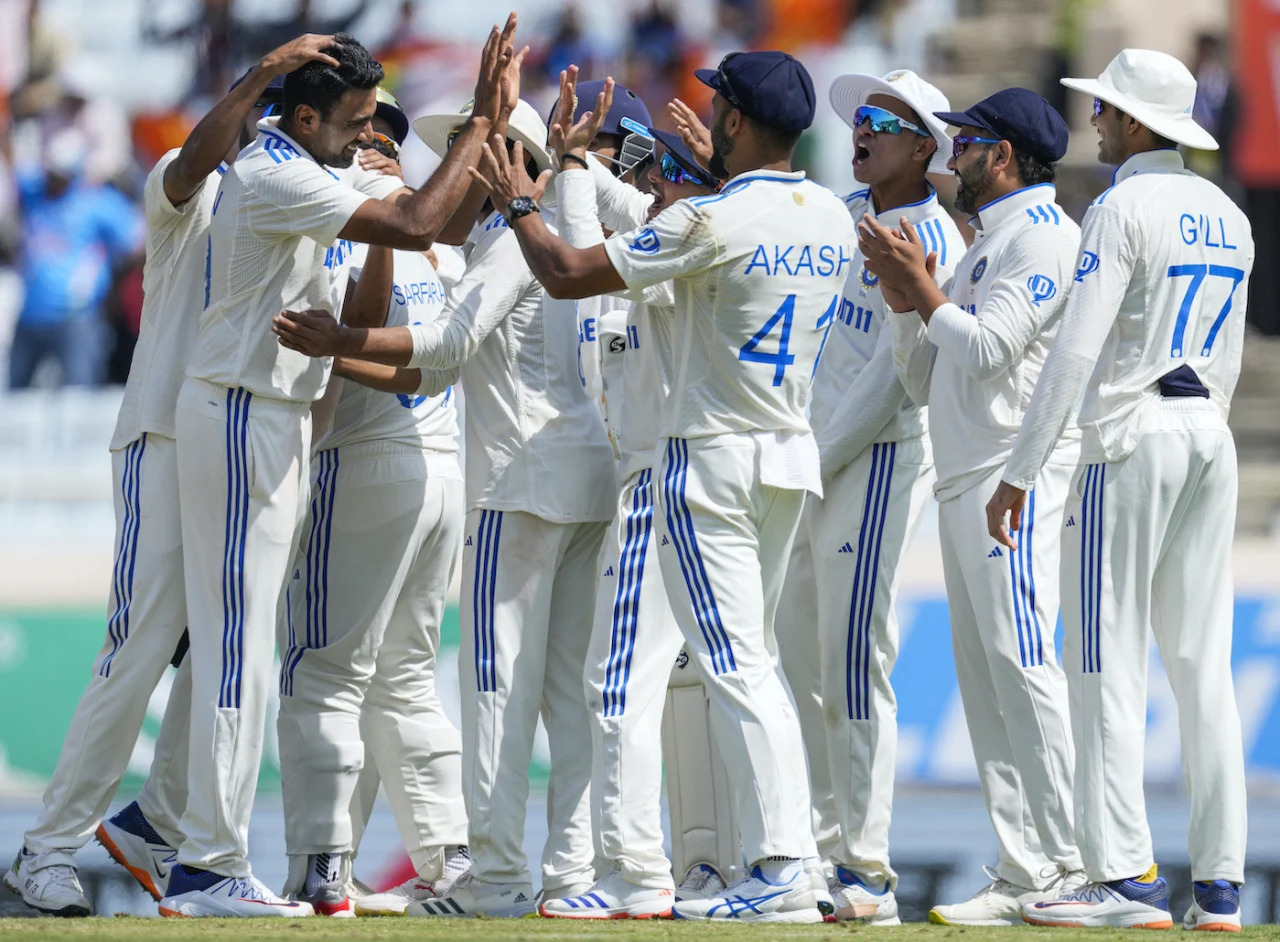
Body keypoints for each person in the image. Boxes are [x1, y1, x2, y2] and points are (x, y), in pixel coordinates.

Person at [469, 50, 858, 923]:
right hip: (785, 455)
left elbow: (568, 274)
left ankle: (756, 868)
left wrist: (522, 202)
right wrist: (580, 174)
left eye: (718, 104)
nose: (706, 113)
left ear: (735, 122)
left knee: (656, 677)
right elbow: (657, 226)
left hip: (706, 460)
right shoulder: (827, 211)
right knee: (749, 665)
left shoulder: (714, 222)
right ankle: (777, 864)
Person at [156, 21, 523, 918]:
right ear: (307, 115)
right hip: (245, 410)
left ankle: (212, 853)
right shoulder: (280, 170)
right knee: (245, 647)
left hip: (267, 415)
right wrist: (479, 119)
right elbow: (415, 218)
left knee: (253, 648)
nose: (367, 135)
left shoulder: (302, 166)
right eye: (356, 120)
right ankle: (208, 863)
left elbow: (416, 235)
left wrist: (482, 123)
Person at [0, 38, 333, 918]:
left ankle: (161, 825)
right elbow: (192, 160)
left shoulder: (312, 203)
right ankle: (45, 848)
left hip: (238, 430)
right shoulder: (202, 187)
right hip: (161, 430)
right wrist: (259, 76)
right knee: (142, 645)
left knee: (225, 646)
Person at [275, 95, 617, 918]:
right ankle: (558, 876)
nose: (456, 174)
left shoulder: (501, 246)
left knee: (478, 688)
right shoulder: (545, 236)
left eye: (476, 152)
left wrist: (339, 343)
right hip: (563, 475)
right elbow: (434, 370)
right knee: (551, 697)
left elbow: (445, 349)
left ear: (510, 159)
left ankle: (485, 879)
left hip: (507, 481)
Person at [988, 49, 1254, 932]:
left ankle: (1123, 879)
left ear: (1138, 123)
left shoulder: (1118, 206)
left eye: (1105, 110)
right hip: (1208, 433)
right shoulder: (1228, 212)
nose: (1095, 122)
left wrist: (1022, 469)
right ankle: (1219, 886)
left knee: (1103, 662)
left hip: (1130, 436)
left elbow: (1073, 350)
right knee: (1201, 669)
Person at [858, 87, 1086, 925]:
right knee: (989, 683)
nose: (952, 155)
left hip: (1010, 478)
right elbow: (927, 376)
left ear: (1006, 155)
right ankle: (1025, 870)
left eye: (968, 143)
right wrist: (900, 299)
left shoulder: (1047, 239)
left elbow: (988, 351)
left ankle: (1069, 867)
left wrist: (921, 284)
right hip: (962, 475)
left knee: (1025, 669)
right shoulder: (985, 242)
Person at [528, 74, 723, 919]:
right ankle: (747, 866)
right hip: (710, 476)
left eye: (649, 165)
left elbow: (577, 251)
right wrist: (575, 158)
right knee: (726, 685)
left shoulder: (672, 232)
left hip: (659, 478)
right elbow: (604, 200)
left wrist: (561, 173)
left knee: (618, 688)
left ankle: (638, 873)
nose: (642, 181)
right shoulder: (692, 225)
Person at [271, 88, 469, 917]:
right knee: (407, 678)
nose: (367, 145)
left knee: (321, 673)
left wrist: (375, 225)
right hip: (440, 472)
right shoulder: (447, 254)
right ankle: (453, 863)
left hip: (367, 465)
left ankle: (321, 869)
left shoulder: (354, 239)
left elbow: (355, 324)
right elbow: (429, 362)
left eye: (372, 136)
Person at [782, 67, 964, 925]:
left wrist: (816, 453)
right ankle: (815, 854)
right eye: (859, 118)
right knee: (801, 657)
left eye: (883, 121)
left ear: (925, 145)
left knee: (854, 662)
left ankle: (866, 866)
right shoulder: (854, 217)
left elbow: (904, 385)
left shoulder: (932, 235)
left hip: (877, 462)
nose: (861, 130)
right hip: (815, 461)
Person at [9, 130, 142, 388]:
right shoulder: (34, 193)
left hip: (77, 317)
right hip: (30, 315)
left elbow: (136, 241)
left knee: (79, 397)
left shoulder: (97, 201)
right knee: (13, 401)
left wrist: (113, 290)